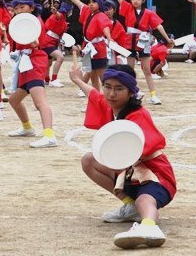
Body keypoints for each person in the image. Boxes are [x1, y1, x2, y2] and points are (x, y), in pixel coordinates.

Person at [70, 63, 176, 249]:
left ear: (130, 92)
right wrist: (78, 79)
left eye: (119, 89)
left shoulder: (138, 115)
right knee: (89, 160)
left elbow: (145, 148)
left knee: (145, 199)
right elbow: (94, 95)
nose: (111, 94)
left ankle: (150, 228)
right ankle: (130, 207)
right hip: (128, 170)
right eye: (107, 87)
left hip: (155, 174)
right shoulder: (111, 107)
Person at [97, 0, 174, 104]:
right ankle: (133, 93)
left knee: (146, 70)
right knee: (129, 69)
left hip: (144, 41)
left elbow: (158, 26)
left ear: (143, 0)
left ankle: (153, 95)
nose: (135, 1)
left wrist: (167, 39)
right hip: (129, 41)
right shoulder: (127, 8)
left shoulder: (149, 13)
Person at [6, 0, 57, 148]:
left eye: (22, 7)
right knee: (14, 100)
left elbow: (37, 42)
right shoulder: (20, 23)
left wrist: (35, 44)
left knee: (39, 102)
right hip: (25, 64)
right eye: (16, 8)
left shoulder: (35, 22)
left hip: (35, 62)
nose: (18, 10)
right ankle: (27, 128)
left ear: (32, 8)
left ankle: (50, 135)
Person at [58, 0, 112, 91]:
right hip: (88, 47)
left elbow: (105, 28)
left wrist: (110, 39)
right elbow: (78, 2)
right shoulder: (87, 10)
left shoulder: (101, 15)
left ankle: (107, 101)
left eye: (94, 2)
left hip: (98, 48)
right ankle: (96, 101)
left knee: (103, 78)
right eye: (90, 1)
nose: (91, 3)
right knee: (92, 76)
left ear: (100, 3)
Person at [42, 0, 71, 88]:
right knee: (60, 57)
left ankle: (46, 80)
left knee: (48, 62)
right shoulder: (61, 15)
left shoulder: (62, 17)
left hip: (51, 41)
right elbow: (58, 15)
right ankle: (54, 79)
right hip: (48, 41)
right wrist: (56, 12)